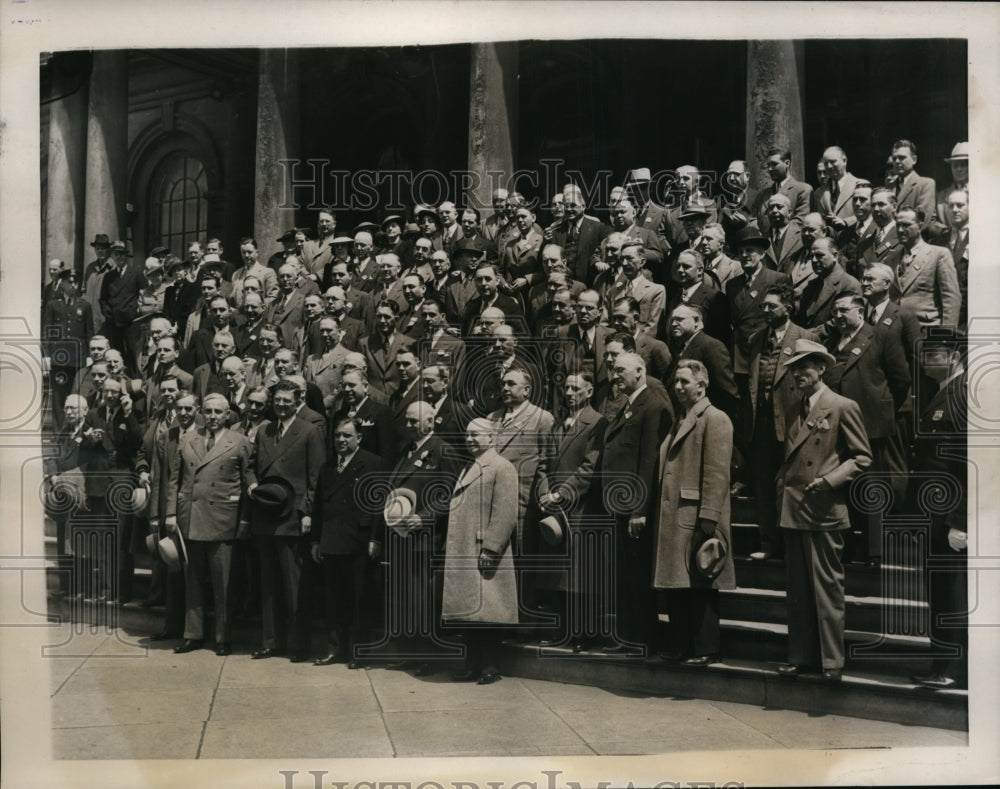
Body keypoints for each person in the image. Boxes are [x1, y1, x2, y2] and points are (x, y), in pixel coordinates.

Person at [776, 339, 872, 681]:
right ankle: (800, 655)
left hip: (824, 509)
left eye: (804, 367)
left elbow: (862, 457)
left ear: (821, 368)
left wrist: (830, 480)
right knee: (798, 591)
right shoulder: (793, 408)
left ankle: (831, 661)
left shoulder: (842, 406)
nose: (797, 374)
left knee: (827, 589)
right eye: (793, 368)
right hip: (794, 508)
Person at [652, 359, 735, 665]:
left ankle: (706, 648)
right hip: (676, 512)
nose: (677, 387)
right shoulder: (681, 419)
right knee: (678, 583)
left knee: (701, 583)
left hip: (696, 514)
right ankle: (682, 646)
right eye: (675, 381)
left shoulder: (715, 418)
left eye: (684, 382)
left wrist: (709, 516)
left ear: (702, 384)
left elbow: (717, 472)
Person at [166, 393, 255, 657]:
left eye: (218, 412)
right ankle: (192, 634)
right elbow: (174, 480)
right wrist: (171, 513)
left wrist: (244, 520)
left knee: (223, 583)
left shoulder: (240, 442)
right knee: (193, 580)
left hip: (223, 519)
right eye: (208, 412)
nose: (213, 417)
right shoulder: (187, 440)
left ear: (228, 415)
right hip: (190, 516)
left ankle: (222, 637)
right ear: (200, 413)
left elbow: (246, 481)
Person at [598, 352, 673, 653]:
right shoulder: (628, 405)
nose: (614, 376)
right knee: (624, 576)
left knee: (636, 577)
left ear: (640, 371)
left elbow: (648, 461)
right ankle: (629, 636)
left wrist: (639, 510)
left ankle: (642, 639)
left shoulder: (652, 405)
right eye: (613, 371)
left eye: (620, 370)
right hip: (618, 505)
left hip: (633, 509)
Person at [737, 285, 818, 561]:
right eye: (764, 306)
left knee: (791, 486)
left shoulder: (804, 338)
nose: (767, 311)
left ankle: (793, 545)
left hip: (792, 423)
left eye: (772, 306)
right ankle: (768, 543)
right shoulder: (756, 338)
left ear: (788, 307)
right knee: (762, 487)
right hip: (760, 426)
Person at [249, 379, 326, 662]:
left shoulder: (309, 431)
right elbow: (250, 464)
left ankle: (298, 645)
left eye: (286, 400)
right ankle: (271, 642)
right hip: (265, 514)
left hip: (292, 517)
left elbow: (316, 478)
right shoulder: (263, 431)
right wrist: (251, 483)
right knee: (268, 586)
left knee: (294, 586)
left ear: (298, 400)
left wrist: (307, 513)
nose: (281, 405)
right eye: (277, 400)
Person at [530, 374, 608, 651]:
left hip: (579, 509)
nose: (570, 393)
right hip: (553, 509)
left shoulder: (597, 422)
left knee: (578, 576)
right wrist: (543, 492)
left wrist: (562, 494)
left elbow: (589, 467)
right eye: (567, 388)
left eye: (576, 389)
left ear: (589, 391)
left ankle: (582, 634)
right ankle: (560, 630)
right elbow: (543, 463)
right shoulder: (556, 424)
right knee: (556, 574)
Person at [909, 331, 968, 689]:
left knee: (951, 595)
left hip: (950, 519)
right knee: (942, 593)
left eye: (934, 352)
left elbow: (969, 465)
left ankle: (951, 670)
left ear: (954, 355)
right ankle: (943, 666)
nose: (926, 358)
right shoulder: (944, 392)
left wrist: (959, 522)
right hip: (937, 516)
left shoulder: (961, 395)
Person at [441, 418, 520, 684]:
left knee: (487, 612)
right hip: (465, 549)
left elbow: (506, 513)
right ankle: (472, 664)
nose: (470, 439)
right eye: (467, 435)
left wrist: (491, 549)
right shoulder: (469, 466)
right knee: (470, 613)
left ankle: (489, 666)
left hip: (482, 550)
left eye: (476, 435)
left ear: (491, 437)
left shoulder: (501, 467)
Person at [310, 417, 384, 668]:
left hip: (358, 541)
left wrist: (375, 538)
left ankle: (359, 651)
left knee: (359, 599)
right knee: (335, 600)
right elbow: (320, 507)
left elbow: (378, 506)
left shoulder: (373, 464)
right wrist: (316, 541)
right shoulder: (328, 467)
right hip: (331, 540)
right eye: (337, 436)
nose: (341, 440)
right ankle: (335, 649)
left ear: (359, 438)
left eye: (347, 436)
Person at [884, 208, 962, 329]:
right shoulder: (890, 260)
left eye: (906, 225)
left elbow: (951, 298)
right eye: (898, 225)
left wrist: (946, 335)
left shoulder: (938, 254)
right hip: (896, 332)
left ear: (920, 226)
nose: (900, 230)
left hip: (927, 329)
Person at [42, 268, 93, 426]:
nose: (73, 285)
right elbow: (47, 332)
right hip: (60, 359)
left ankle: (76, 431)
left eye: (76, 282)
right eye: (70, 282)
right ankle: (59, 433)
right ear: (62, 284)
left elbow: (89, 332)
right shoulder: (53, 305)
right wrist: (47, 356)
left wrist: (90, 355)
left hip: (79, 359)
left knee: (78, 394)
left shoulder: (84, 306)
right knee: (59, 396)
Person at [752, 147, 813, 230]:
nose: (770, 169)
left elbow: (800, 222)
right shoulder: (763, 194)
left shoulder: (803, 190)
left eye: (774, 164)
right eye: (768, 165)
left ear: (787, 163)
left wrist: (776, 235)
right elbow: (752, 218)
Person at [889, 139, 936, 228]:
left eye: (902, 157)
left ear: (914, 160)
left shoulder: (925, 184)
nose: (897, 161)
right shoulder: (890, 186)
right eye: (894, 158)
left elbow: (922, 220)